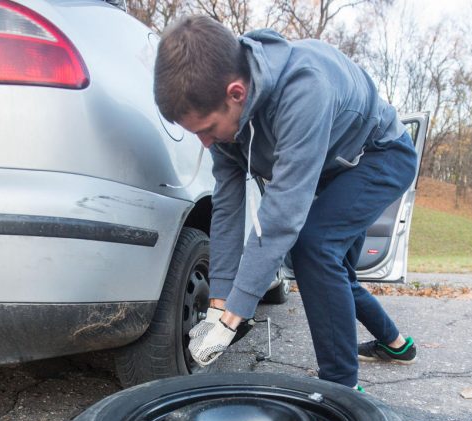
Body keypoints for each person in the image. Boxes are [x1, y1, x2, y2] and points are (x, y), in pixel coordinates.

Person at [154, 15, 418, 390]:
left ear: (236, 93)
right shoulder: (227, 120)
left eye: (207, 129)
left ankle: (342, 390)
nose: (206, 143)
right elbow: (227, 210)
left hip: (379, 155)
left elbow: (280, 216)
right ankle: (396, 344)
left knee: (315, 248)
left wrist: (235, 316)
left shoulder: (304, 87)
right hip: (331, 168)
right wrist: (218, 301)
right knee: (328, 268)